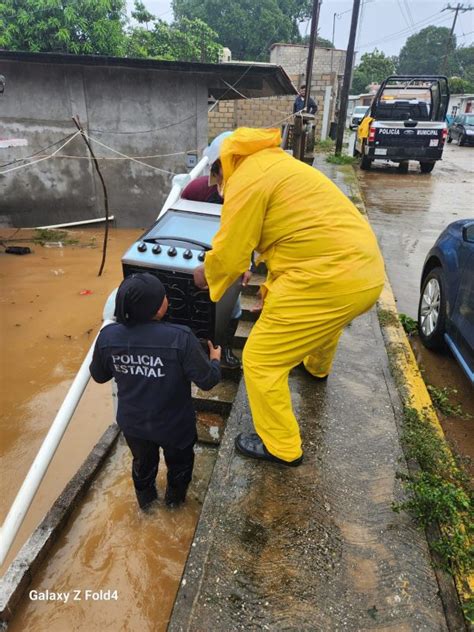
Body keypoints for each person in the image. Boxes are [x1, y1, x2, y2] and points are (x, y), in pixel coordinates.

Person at [193, 128, 385, 467]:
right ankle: (316, 367)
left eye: (215, 176)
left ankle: (281, 446)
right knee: (323, 320)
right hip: (364, 272)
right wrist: (257, 267)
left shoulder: (245, 180)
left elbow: (229, 249)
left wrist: (206, 274)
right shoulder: (274, 163)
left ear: (222, 165)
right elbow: (287, 230)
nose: (217, 185)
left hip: (329, 277)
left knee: (260, 360)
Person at [89, 272, 221, 510]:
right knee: (179, 467)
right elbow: (208, 381)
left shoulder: (108, 336)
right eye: (163, 296)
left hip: (134, 425)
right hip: (175, 426)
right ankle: (174, 506)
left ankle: (146, 507)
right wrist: (214, 360)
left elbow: (99, 375)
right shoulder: (180, 337)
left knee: (142, 465)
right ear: (159, 308)